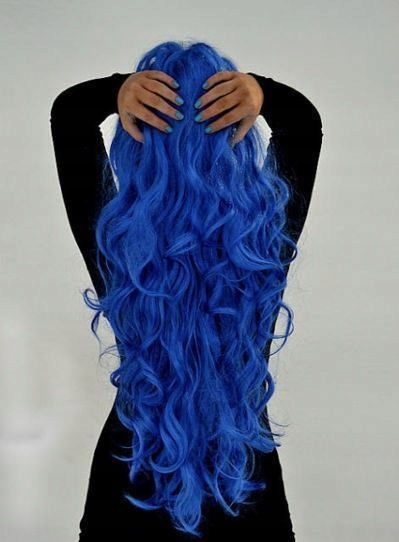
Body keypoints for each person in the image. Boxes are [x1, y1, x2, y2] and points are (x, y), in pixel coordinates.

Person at [50, 40, 323, 541]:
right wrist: (261, 91)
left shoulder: (119, 245)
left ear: (138, 144)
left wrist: (118, 91)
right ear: (237, 142)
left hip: (128, 480)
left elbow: (69, 115)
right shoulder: (261, 243)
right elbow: (303, 125)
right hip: (246, 484)